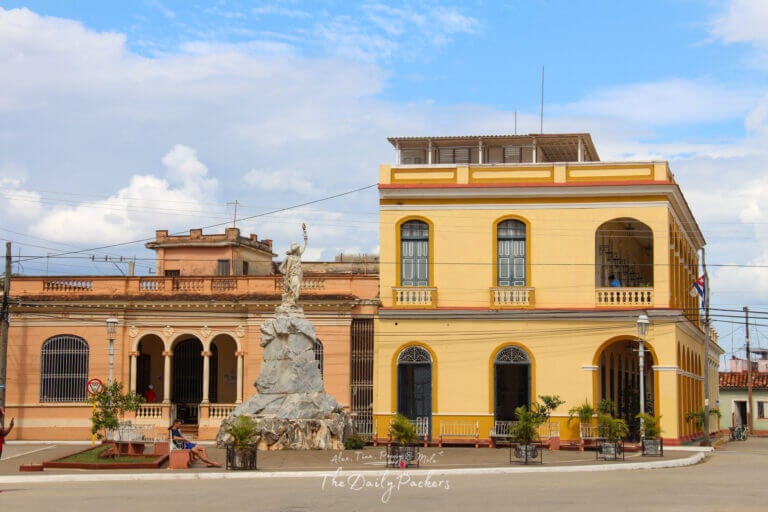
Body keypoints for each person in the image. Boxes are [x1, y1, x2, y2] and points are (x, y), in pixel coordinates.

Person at [278, 223, 308, 307]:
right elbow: (287, 269)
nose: (298, 249)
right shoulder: (290, 258)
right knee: (296, 286)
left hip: (298, 275)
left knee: (297, 287)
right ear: (294, 250)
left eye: (298, 248)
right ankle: (291, 301)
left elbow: (305, 244)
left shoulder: (298, 255)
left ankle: (293, 302)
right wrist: (286, 278)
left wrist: (304, 232)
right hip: (293, 275)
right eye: (297, 248)